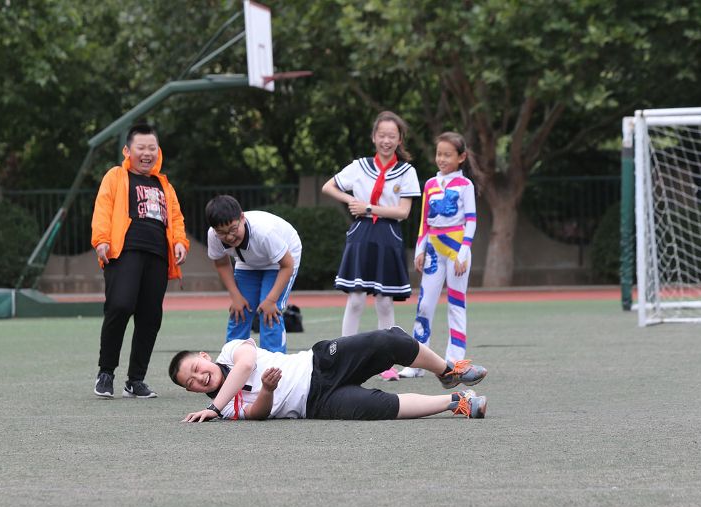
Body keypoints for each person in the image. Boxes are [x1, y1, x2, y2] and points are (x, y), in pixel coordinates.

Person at [167, 327, 487, 422]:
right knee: (383, 408)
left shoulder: (230, 350)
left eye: (196, 369)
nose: (199, 378)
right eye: (190, 383)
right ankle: (457, 401)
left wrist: (213, 407)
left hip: (319, 362)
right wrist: (266, 390)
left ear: (205, 357)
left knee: (387, 342)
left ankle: (447, 371)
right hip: (318, 404)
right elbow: (258, 414)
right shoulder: (224, 409)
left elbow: (246, 365)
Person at [91, 122, 189, 399]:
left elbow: (176, 217)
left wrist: (180, 242)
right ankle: (106, 373)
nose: (147, 153)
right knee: (120, 306)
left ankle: (135, 380)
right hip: (124, 252)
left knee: (150, 317)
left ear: (158, 151)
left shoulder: (164, 185)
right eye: (141, 148)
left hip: (157, 256)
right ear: (128, 151)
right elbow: (103, 208)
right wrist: (101, 240)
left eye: (152, 148)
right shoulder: (116, 176)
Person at [321, 110, 421, 382]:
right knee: (355, 299)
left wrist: (368, 207)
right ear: (374, 137)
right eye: (382, 135)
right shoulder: (359, 166)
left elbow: (403, 212)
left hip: (388, 236)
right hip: (361, 233)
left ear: (400, 139)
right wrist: (351, 201)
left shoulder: (407, 172)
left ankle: (386, 363)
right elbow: (328, 186)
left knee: (385, 302)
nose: (386, 141)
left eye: (392, 136)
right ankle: (342, 358)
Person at [398, 132, 478, 378]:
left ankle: (455, 361)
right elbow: (424, 221)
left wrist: (463, 252)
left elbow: (471, 220)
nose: (441, 159)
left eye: (447, 155)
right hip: (433, 249)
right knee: (424, 304)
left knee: (456, 304)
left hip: (456, 251)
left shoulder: (465, 185)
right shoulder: (431, 184)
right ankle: (417, 362)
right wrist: (420, 249)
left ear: (461, 157)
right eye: (439, 154)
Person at [205, 195, 303, 353]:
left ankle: (274, 362)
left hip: (281, 260)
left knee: (269, 313)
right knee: (239, 311)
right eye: (222, 233)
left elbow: (287, 265)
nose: (229, 237)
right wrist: (235, 296)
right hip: (248, 261)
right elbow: (222, 263)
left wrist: (271, 300)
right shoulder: (213, 235)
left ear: (242, 218)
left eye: (233, 229)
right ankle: (231, 361)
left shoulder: (264, 232)